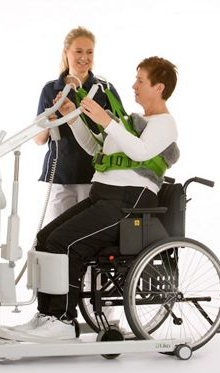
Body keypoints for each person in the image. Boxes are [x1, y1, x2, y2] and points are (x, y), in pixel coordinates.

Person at [15, 56, 180, 339]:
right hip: (101, 196)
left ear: (159, 87)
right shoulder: (131, 122)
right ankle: (47, 315)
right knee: (45, 238)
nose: (133, 86)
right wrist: (76, 116)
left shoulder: (164, 124)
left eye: (140, 81)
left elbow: (141, 152)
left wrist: (106, 120)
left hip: (128, 202)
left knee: (64, 244)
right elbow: (95, 150)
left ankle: (63, 320)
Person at [35, 26, 122, 224]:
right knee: (54, 237)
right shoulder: (50, 90)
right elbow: (39, 140)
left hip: (94, 175)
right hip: (60, 176)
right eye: (78, 51)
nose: (84, 57)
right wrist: (53, 115)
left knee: (85, 237)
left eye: (89, 52)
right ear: (66, 53)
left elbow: (121, 131)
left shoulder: (104, 89)